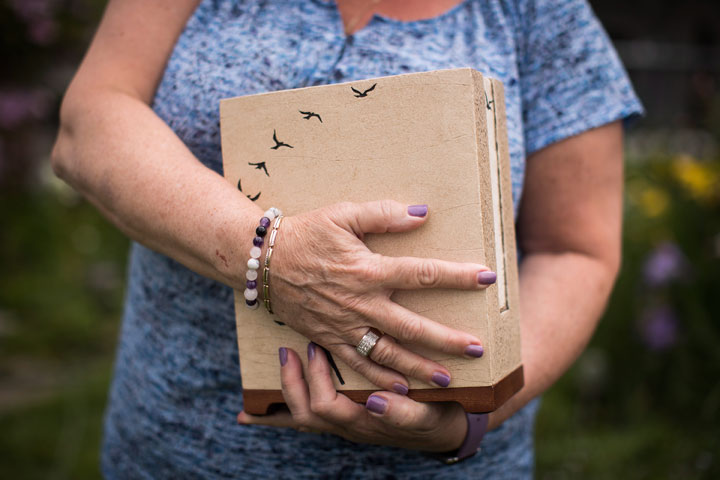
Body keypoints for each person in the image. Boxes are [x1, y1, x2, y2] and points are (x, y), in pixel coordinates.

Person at [51, 0, 643, 477]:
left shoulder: (544, 14)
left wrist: (473, 418)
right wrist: (268, 253)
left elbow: (574, 249)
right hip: (172, 446)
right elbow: (94, 118)